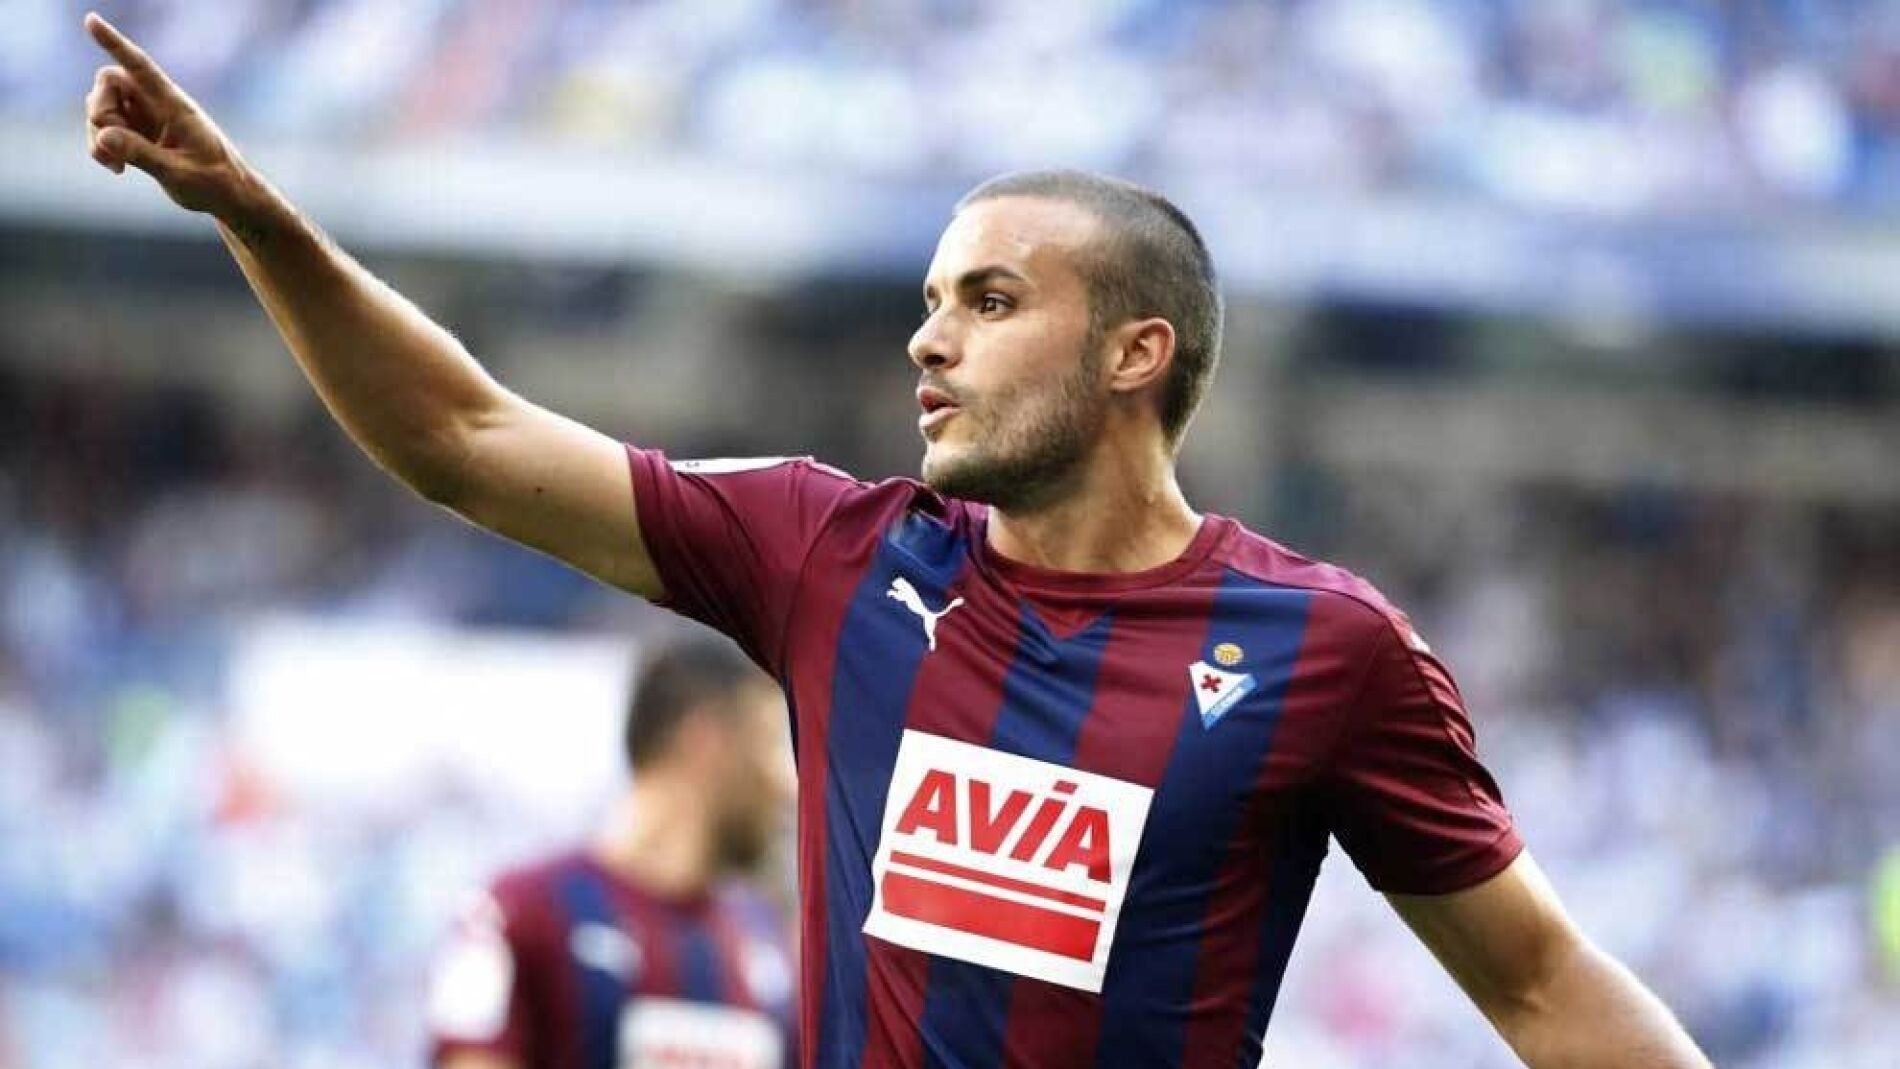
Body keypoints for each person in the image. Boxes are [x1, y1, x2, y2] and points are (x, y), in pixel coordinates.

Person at [80, 13, 1713, 1067]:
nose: (930, 340)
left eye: (991, 300)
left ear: (1135, 351)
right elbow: (469, 438)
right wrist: (258, 220)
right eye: (931, 300)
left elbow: (1542, 981)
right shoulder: (834, 553)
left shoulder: (1323, 648)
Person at [429, 636, 797, 1069]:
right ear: (705, 741)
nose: (786, 785)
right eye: (768, 743)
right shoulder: (517, 912)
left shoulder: (767, 939)